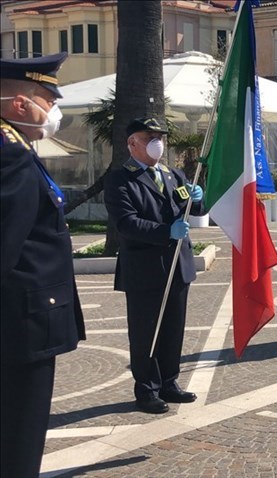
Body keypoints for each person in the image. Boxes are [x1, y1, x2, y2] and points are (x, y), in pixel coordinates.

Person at [1, 52, 86, 478]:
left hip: (20, 316)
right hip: (20, 323)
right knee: (19, 436)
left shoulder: (15, 148)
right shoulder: (10, 155)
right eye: (47, 100)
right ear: (20, 105)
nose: (53, 111)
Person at [103, 117, 204, 414]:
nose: (157, 142)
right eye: (149, 137)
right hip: (145, 268)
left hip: (177, 265)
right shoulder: (120, 179)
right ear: (132, 143)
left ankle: (169, 382)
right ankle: (146, 389)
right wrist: (165, 232)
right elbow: (127, 223)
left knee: (173, 328)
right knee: (147, 331)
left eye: (159, 136)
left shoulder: (173, 175)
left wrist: (199, 197)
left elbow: (193, 208)